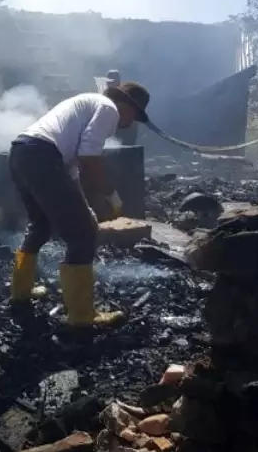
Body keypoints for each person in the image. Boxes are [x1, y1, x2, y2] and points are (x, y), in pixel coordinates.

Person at [8, 82, 151, 328]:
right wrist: (111, 194)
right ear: (126, 106)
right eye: (135, 115)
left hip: (22, 152)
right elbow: (89, 158)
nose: (131, 122)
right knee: (82, 236)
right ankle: (82, 317)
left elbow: (71, 174)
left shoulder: (89, 106)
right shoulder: (109, 109)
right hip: (42, 156)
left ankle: (21, 291)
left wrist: (87, 210)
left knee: (41, 224)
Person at [103, 70, 138, 145]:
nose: (110, 83)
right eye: (108, 81)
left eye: (113, 80)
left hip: (125, 134)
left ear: (118, 82)